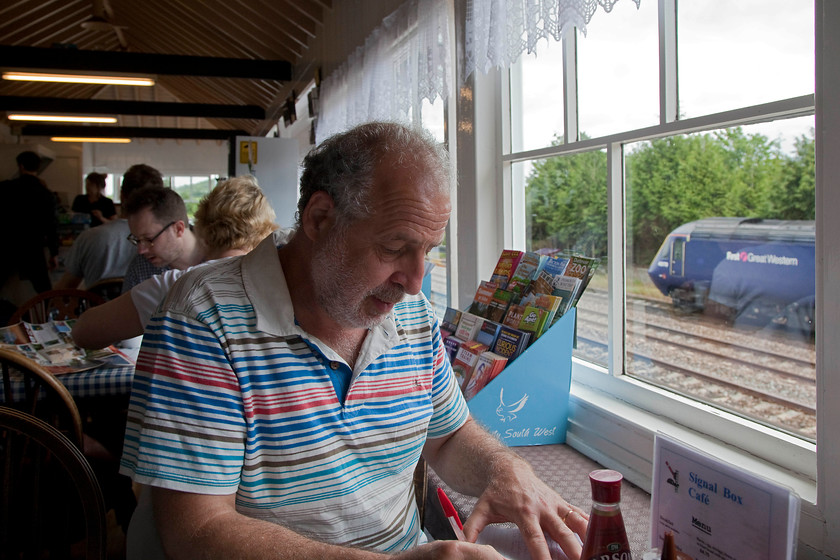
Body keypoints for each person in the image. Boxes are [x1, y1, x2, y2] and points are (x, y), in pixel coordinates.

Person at [120, 122, 588, 560]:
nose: (414, 281)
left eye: (429, 250)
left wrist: (503, 469)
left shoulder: (412, 316)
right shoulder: (202, 318)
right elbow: (196, 531)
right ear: (321, 218)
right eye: (393, 248)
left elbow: (447, 438)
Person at [71, 175, 280, 349]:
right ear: (265, 231)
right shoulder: (284, 284)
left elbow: (83, 332)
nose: (142, 248)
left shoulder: (176, 286)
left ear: (201, 229)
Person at [53, 164, 164, 290]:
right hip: (147, 309)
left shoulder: (88, 237)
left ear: (122, 195)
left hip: (96, 307)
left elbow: (64, 289)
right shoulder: (166, 241)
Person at [120, 185, 203, 292]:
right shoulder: (141, 268)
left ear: (178, 229)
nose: (141, 250)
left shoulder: (221, 256)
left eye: (149, 239)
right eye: (137, 240)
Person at [0, 151, 59, 295]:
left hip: (7, 244)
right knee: (44, 292)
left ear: (20, 166)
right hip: (33, 247)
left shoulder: (5, 188)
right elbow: (52, 226)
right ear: (38, 168)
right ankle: (48, 316)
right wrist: (54, 253)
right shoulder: (46, 194)